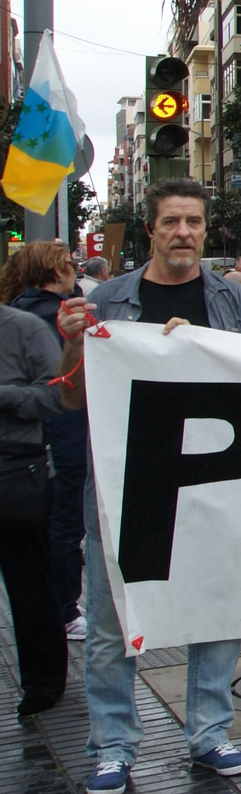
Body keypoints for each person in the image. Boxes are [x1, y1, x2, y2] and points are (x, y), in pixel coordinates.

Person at [55, 177, 241, 794]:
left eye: (193, 223)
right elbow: (71, 397)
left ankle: (209, 734)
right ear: (151, 228)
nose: (183, 233)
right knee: (109, 620)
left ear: (205, 229)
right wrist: (73, 341)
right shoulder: (110, 301)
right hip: (124, 487)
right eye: (172, 221)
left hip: (214, 485)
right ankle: (113, 747)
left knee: (215, 608)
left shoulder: (232, 303)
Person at [1, 242, 89, 640]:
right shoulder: (45, 320)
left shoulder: (18, 313)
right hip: (59, 443)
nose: (74, 271)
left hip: (37, 450)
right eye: (69, 265)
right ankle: (65, 609)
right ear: (57, 273)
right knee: (64, 528)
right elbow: (58, 390)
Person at [0, 284, 71, 719]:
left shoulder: (24, 328)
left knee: (29, 585)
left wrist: (4, 396)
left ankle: (44, 682)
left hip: (15, 473)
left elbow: (60, 395)